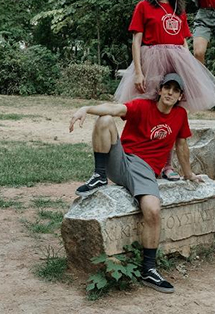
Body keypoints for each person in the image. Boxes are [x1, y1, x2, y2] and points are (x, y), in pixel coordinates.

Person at [70, 73, 203, 293]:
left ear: (180, 96)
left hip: (145, 171)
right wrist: (86, 108)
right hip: (122, 159)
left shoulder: (180, 115)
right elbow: (114, 109)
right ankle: (99, 175)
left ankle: (148, 269)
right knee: (105, 120)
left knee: (153, 210)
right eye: (167, 88)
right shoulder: (142, 106)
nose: (170, 93)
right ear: (159, 90)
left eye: (175, 90)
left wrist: (188, 174)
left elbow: (181, 146)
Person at [114, 0, 215, 113]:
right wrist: (139, 73)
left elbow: (182, 40)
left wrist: (190, 68)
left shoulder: (179, 10)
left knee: (175, 100)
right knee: (150, 100)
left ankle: (170, 127)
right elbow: (136, 41)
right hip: (152, 60)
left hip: (178, 59)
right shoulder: (143, 6)